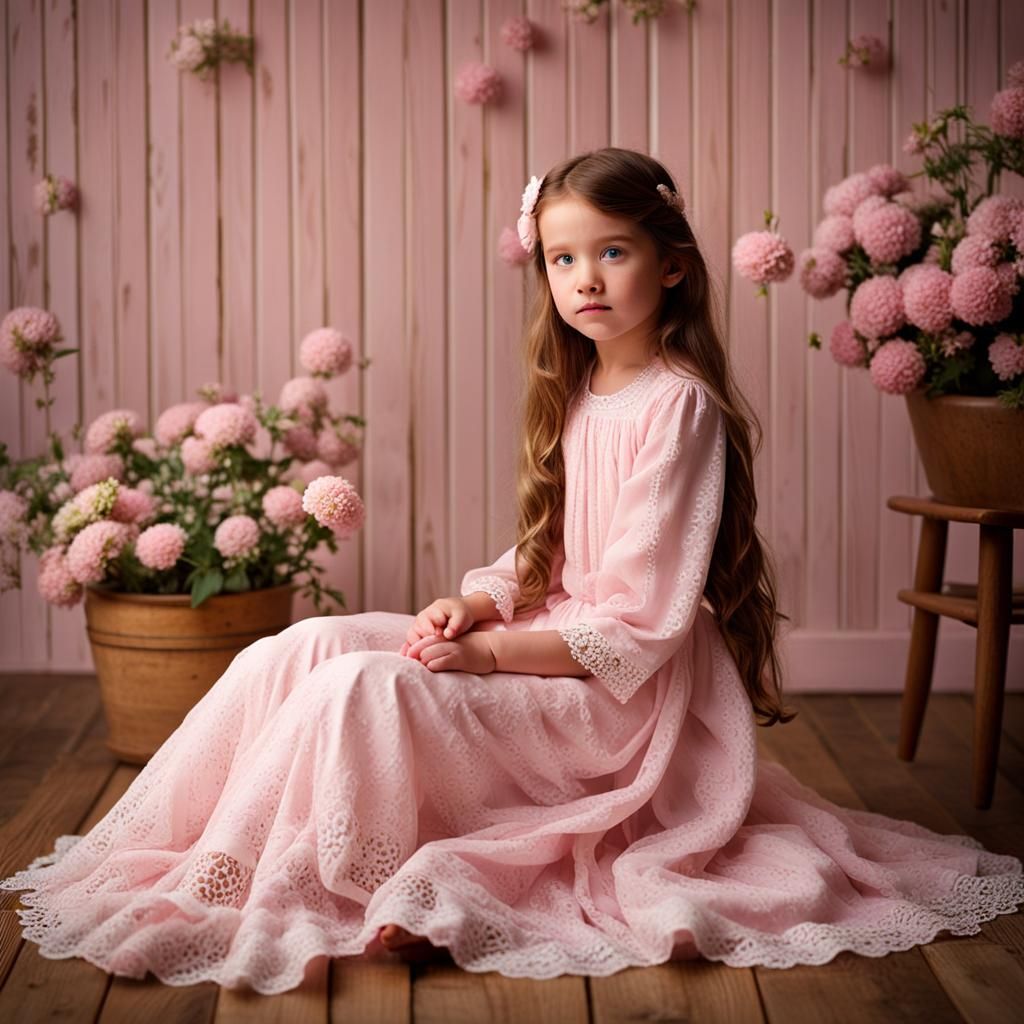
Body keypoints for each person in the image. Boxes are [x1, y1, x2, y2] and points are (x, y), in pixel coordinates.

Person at [3, 147, 1021, 994]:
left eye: (610, 252)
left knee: (366, 684)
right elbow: (547, 555)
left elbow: (638, 625)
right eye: (561, 257)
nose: (583, 278)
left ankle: (337, 882)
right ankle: (209, 860)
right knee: (306, 640)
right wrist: (473, 599)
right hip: (543, 634)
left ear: (668, 264)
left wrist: (489, 655)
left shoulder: (679, 407)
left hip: (618, 696)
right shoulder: (582, 393)